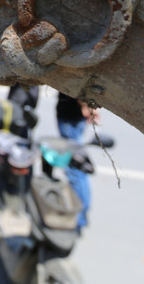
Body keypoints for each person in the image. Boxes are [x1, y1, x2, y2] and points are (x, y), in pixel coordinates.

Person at [57, 92, 100, 230]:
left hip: (70, 116)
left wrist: (86, 105)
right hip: (72, 115)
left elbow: (76, 85)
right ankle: (81, 216)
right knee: (78, 169)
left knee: (75, 170)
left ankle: (79, 218)